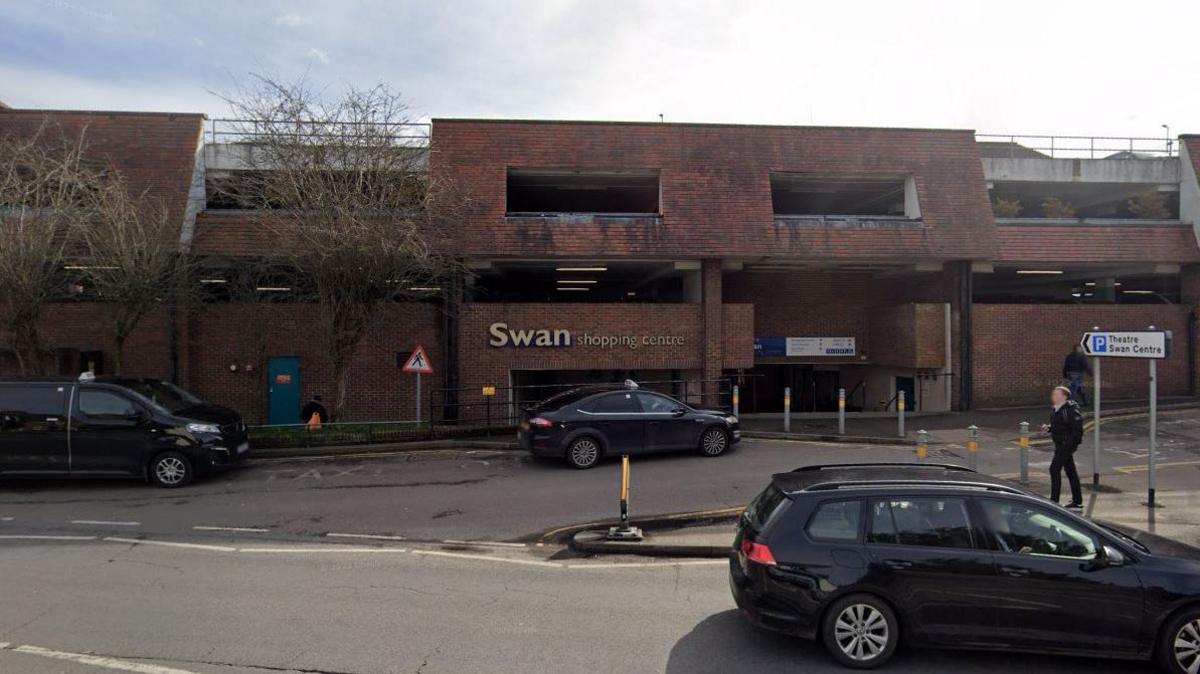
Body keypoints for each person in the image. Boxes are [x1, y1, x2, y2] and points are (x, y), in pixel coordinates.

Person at [1041, 385, 1084, 508]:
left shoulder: (1070, 410)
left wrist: (1068, 445)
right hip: (1060, 443)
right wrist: (1049, 428)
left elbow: (1077, 430)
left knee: (1054, 469)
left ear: (1064, 396)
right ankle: (1077, 500)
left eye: (1056, 394)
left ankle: (1054, 501)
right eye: (1053, 394)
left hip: (1066, 445)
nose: (1053, 396)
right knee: (1071, 471)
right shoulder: (1056, 409)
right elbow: (1061, 427)